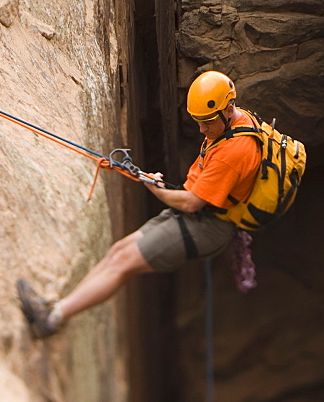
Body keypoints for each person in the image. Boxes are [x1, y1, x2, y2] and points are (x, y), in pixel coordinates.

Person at [17, 70, 262, 339]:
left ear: (228, 109)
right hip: (198, 213)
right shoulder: (240, 121)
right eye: (198, 121)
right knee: (118, 252)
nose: (202, 129)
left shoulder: (236, 150)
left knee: (123, 261)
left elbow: (192, 203)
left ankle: (52, 318)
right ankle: (56, 307)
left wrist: (153, 188)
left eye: (207, 123)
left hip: (206, 226)